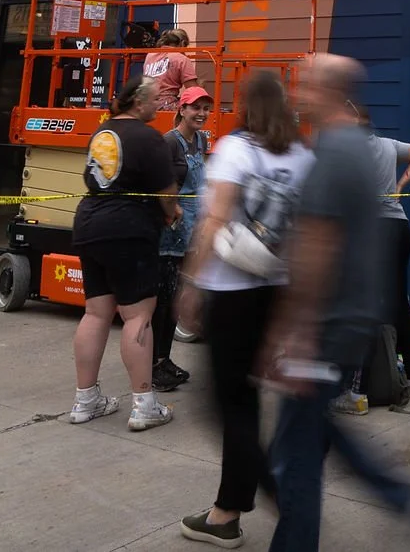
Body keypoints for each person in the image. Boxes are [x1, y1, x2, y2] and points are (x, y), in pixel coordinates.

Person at [263, 54, 410, 552]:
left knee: (296, 455)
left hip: (326, 326)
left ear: (331, 92)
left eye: (307, 84)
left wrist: (294, 330)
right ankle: (400, 496)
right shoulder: (356, 147)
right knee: (309, 432)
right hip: (350, 321)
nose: (299, 93)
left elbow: (316, 248)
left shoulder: (333, 152)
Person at [177, 71, 314, 548]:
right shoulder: (303, 156)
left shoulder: (235, 149)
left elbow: (215, 218)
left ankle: (287, 503)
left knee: (226, 406)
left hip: (231, 290)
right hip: (277, 289)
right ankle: (225, 512)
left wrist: (192, 283)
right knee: (244, 402)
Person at [70, 74, 180, 431]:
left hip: (89, 224)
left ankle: (85, 400)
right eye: (156, 100)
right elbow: (167, 193)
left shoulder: (102, 131)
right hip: (128, 230)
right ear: (138, 102)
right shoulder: (149, 138)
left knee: (96, 312)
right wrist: (170, 214)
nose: (161, 105)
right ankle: (144, 404)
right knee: (138, 316)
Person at [151, 84, 212, 394]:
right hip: (171, 230)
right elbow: (161, 185)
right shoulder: (169, 143)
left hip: (192, 227)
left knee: (176, 299)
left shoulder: (200, 139)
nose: (201, 113)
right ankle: (153, 365)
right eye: (195, 107)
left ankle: (165, 358)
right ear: (182, 110)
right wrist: (171, 210)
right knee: (162, 301)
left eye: (205, 108)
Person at [363, 114, 410, 401]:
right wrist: (400, 186)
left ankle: (360, 389)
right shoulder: (388, 145)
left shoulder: (349, 152)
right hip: (400, 228)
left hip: (374, 231)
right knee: (399, 302)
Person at [143, 27, 197, 111]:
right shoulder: (181, 58)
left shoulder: (150, 55)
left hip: (145, 103)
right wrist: (200, 86)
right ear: (182, 43)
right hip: (166, 105)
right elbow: (193, 90)